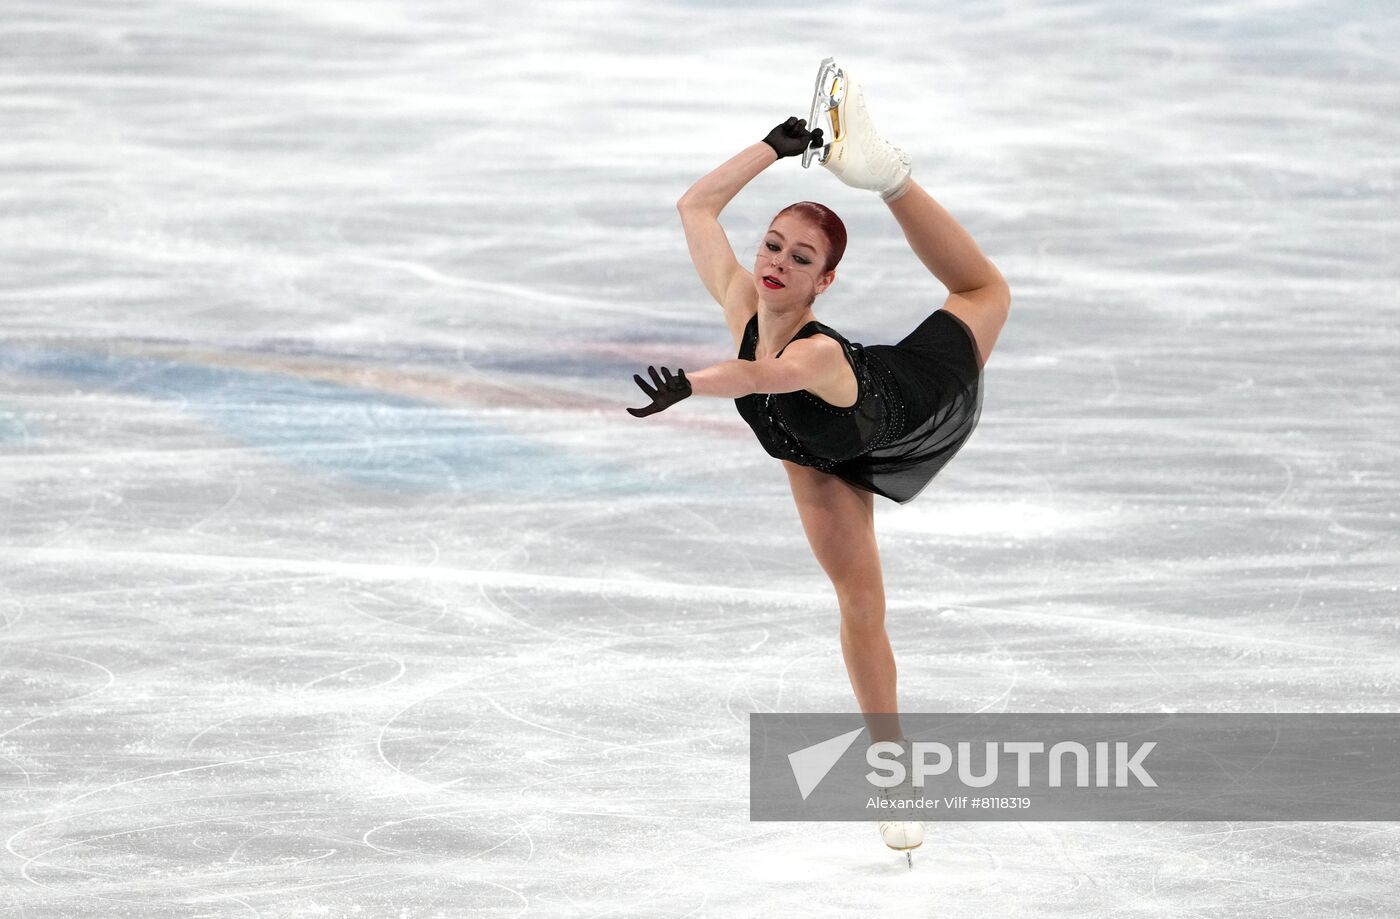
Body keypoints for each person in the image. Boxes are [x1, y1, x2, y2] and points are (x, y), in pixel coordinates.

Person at [626, 69, 1011, 855]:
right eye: (772, 244)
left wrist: (689, 385)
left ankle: (889, 174)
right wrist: (773, 147)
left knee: (983, 290)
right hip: (806, 452)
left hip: (893, 406)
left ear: (824, 281)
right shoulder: (741, 299)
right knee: (856, 603)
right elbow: (695, 207)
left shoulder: (819, 351)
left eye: (800, 259)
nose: (774, 262)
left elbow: (761, 376)